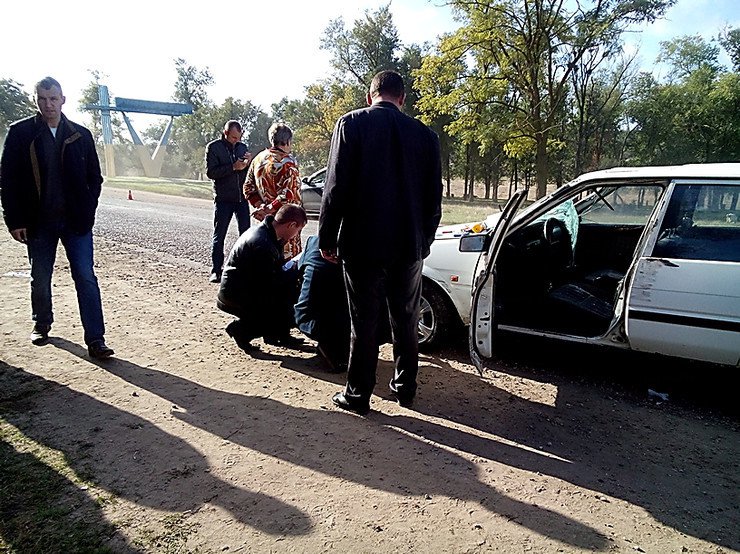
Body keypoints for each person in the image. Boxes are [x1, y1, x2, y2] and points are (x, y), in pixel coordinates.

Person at [319, 70, 443, 415]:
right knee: (406, 318)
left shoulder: (351, 124)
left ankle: (358, 394)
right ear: (402, 98)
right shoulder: (426, 136)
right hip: (408, 244)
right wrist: (425, 240)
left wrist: (327, 237)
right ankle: (405, 388)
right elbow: (433, 197)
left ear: (369, 96)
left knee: (364, 320)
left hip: (363, 242)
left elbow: (335, 186)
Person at [0, 76, 114, 359]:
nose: (48, 104)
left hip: (76, 222)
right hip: (38, 221)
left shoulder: (80, 134)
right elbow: (8, 180)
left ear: (63, 100)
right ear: (35, 100)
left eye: (53, 98)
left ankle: (96, 339)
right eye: (42, 98)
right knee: (40, 276)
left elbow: (95, 178)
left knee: (85, 277)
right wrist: (14, 220)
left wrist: (88, 208)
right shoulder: (21, 133)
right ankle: (42, 323)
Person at [217, 204, 308, 351]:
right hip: (236, 295)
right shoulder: (262, 243)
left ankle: (279, 335)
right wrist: (295, 270)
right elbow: (269, 284)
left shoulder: (267, 233)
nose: (296, 235)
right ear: (291, 225)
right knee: (293, 300)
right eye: (298, 230)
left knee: (288, 292)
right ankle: (241, 330)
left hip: (241, 288)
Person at [244, 122, 302, 258]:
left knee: (264, 257)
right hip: (286, 223)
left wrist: (261, 207)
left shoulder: (258, 159)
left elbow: (248, 188)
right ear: (288, 141)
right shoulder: (289, 162)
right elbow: (288, 195)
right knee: (287, 260)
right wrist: (270, 208)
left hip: (264, 221)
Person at [294, 235, 350, 372]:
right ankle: (333, 350)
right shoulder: (360, 247)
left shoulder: (313, 241)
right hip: (330, 321)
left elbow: (298, 270)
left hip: (305, 315)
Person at [205, 120, 252, 283]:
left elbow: (246, 172)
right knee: (220, 235)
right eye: (233, 137)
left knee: (246, 236)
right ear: (225, 133)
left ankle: (244, 269)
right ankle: (216, 270)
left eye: (239, 138)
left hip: (242, 199)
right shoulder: (214, 147)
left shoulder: (242, 147)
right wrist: (233, 167)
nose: (236, 141)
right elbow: (211, 172)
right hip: (223, 199)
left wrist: (248, 164)